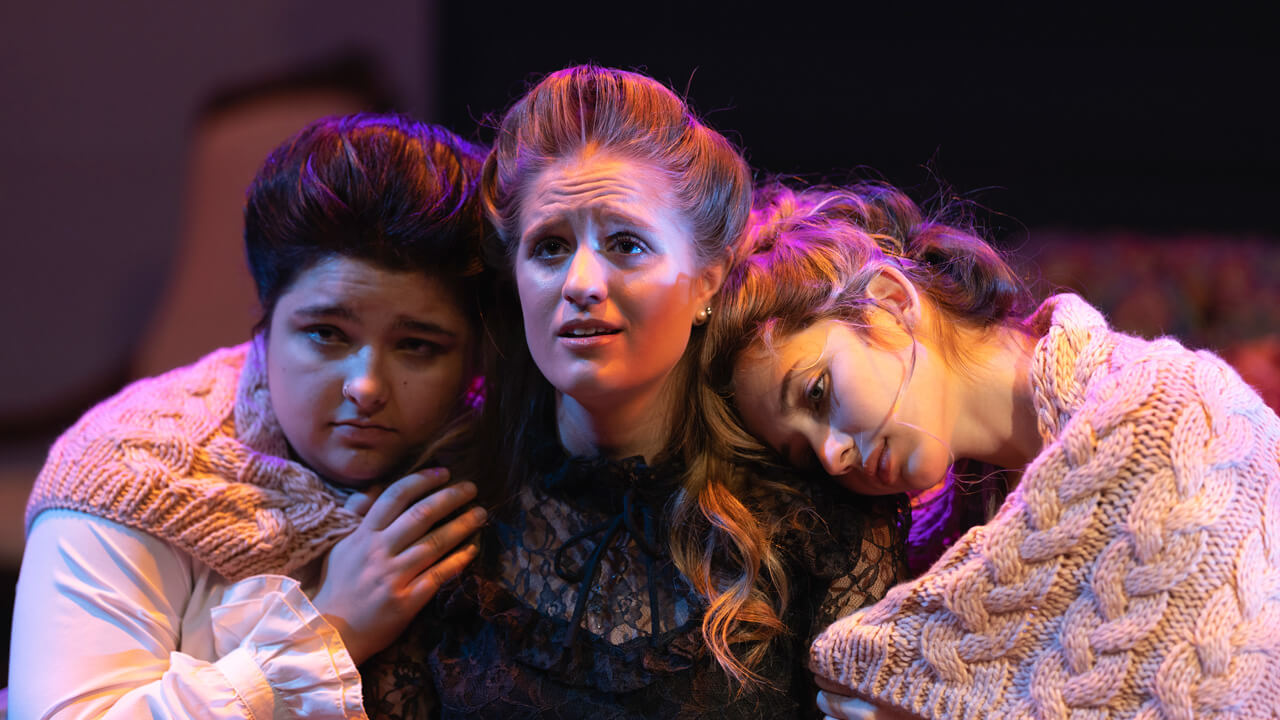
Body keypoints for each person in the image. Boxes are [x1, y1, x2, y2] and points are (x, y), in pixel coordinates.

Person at [360, 66, 907, 718]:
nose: (582, 281)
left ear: (708, 279)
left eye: (626, 243)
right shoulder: (447, 506)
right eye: (550, 247)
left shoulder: (816, 521)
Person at [702, 181, 1280, 719]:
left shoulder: (1167, 411)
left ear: (889, 302)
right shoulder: (939, 549)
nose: (831, 456)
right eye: (804, 454)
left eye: (818, 392)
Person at [10, 114, 493, 719]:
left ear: (474, 354)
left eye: (418, 346)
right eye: (325, 333)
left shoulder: (502, 455)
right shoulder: (129, 469)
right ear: (265, 325)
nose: (366, 387)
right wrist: (331, 632)